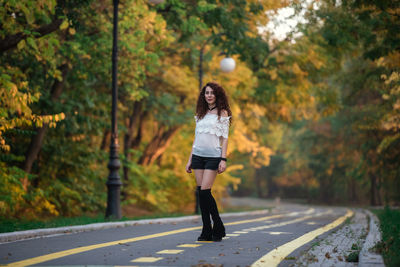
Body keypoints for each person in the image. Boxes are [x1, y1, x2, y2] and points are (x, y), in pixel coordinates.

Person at [185, 82, 232, 242]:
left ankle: (218, 225)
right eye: (206, 93)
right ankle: (206, 230)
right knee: (201, 193)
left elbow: (224, 138)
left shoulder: (222, 113)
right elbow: (196, 138)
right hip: (198, 156)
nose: (209, 95)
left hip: (213, 156)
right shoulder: (200, 113)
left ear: (217, 95)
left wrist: (223, 159)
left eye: (212, 93)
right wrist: (190, 159)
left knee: (205, 191)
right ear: (203, 95)